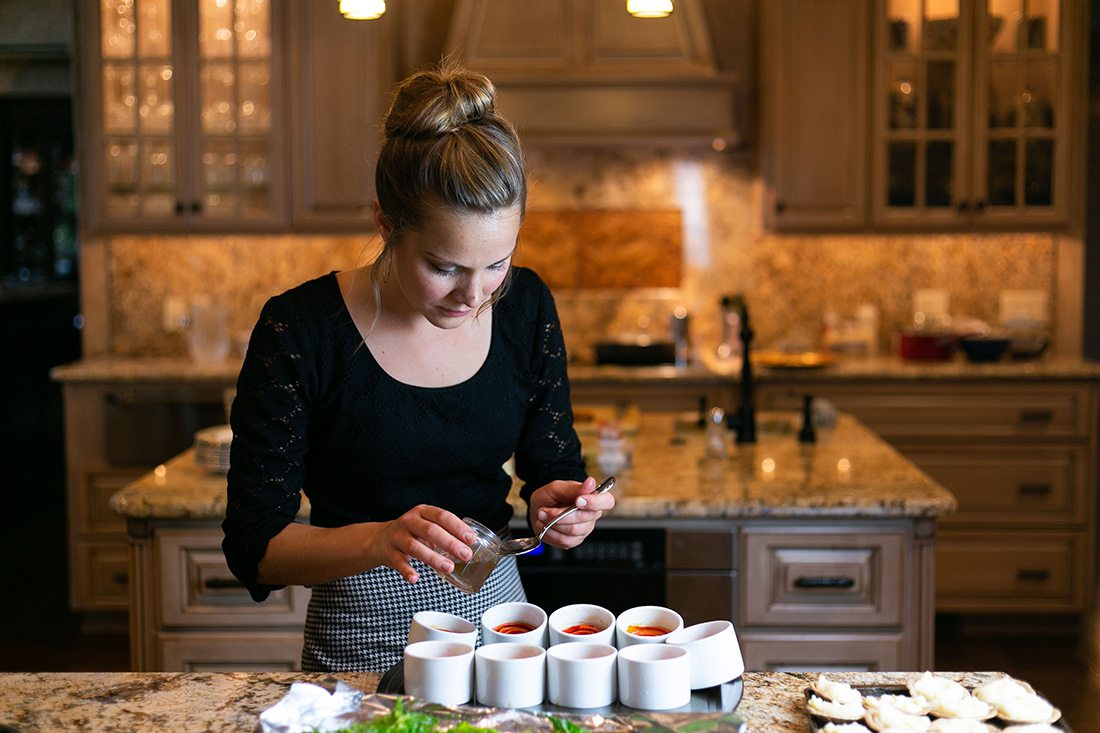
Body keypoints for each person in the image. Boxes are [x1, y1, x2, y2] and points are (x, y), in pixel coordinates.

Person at [221, 63, 615, 673]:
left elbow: (552, 468)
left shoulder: (525, 306)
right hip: (360, 641)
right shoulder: (301, 330)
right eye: (445, 266)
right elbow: (256, 546)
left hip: (502, 632)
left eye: (497, 264)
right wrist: (380, 540)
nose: (475, 294)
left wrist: (559, 508)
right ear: (385, 223)